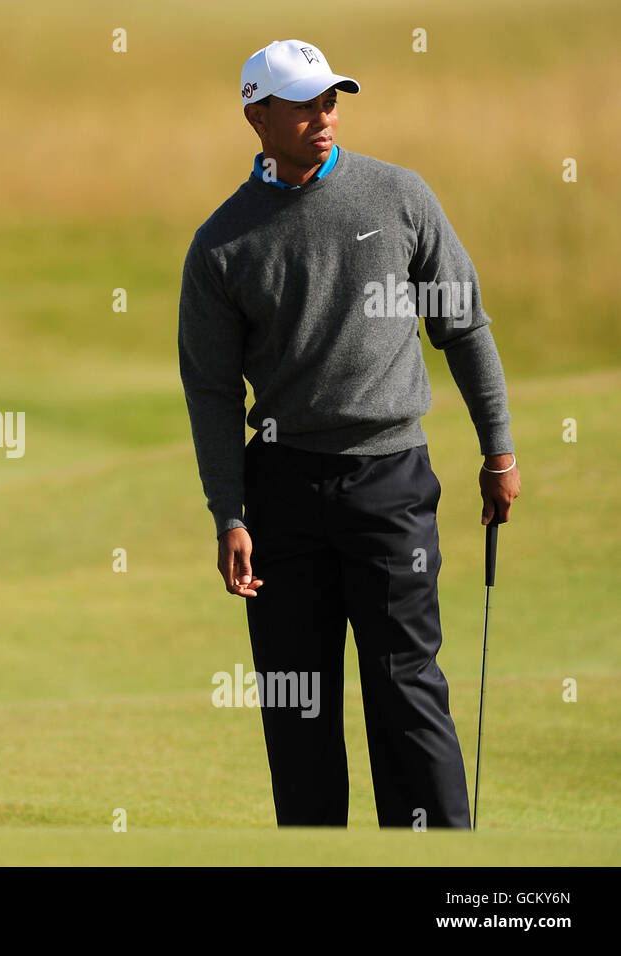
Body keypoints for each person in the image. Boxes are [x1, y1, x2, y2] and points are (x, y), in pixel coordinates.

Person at [177, 41, 521, 828]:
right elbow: (210, 390)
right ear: (256, 115)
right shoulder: (223, 243)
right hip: (283, 490)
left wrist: (497, 448)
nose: (323, 117)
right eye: (303, 104)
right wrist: (229, 512)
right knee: (297, 700)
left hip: (391, 480)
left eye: (331, 100)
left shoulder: (400, 197)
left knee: (406, 685)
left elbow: (463, 327)